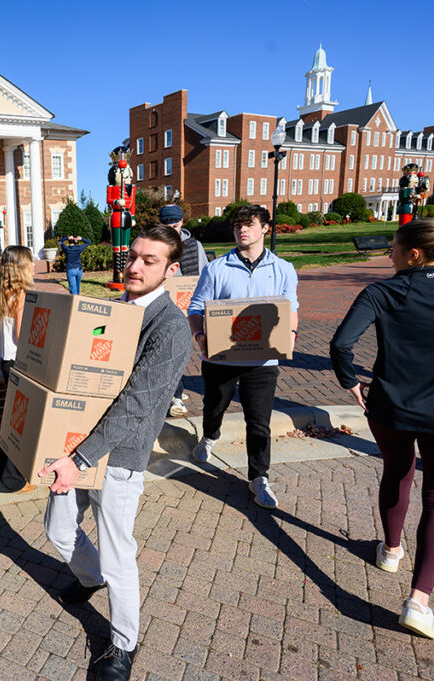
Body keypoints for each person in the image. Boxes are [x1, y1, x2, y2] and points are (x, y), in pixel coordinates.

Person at [40, 225, 191, 681]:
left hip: (119, 457)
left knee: (118, 552)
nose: (135, 267)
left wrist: (79, 460)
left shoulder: (170, 328)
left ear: (171, 269)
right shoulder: (113, 311)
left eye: (149, 260)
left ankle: (123, 645)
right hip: (75, 445)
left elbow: (138, 403)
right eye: (134, 257)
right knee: (58, 530)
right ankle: (90, 578)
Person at [330, 217, 434, 641]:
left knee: (396, 472)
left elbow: (342, 343)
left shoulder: (384, 291)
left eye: (395, 248)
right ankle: (418, 602)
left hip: (392, 407)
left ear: (414, 254)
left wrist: (351, 383)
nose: (390, 255)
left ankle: (391, 550)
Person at [187, 205, 299, 509]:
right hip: (220, 359)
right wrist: (200, 337)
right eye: (237, 226)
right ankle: (209, 435)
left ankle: (258, 477)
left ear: (265, 228)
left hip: (263, 362)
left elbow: (290, 309)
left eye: (248, 224)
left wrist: (290, 336)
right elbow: (196, 307)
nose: (242, 230)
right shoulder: (216, 268)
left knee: (259, 422)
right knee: (214, 406)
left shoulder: (283, 269)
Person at [0, 245, 36, 493]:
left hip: (6, 363)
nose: (34, 266)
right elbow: (22, 336)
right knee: (20, 425)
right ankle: (12, 481)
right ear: (22, 267)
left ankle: (3, 478)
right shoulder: (23, 295)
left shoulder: (3, 292)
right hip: (19, 364)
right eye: (31, 262)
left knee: (11, 422)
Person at [159, 204, 206, 417]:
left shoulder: (194, 246)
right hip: (164, 308)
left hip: (188, 309)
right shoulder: (155, 244)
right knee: (170, 351)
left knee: (180, 352)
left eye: (174, 225)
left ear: (182, 223)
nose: (171, 229)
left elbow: (204, 277)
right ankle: (176, 397)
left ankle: (176, 390)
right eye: (166, 225)